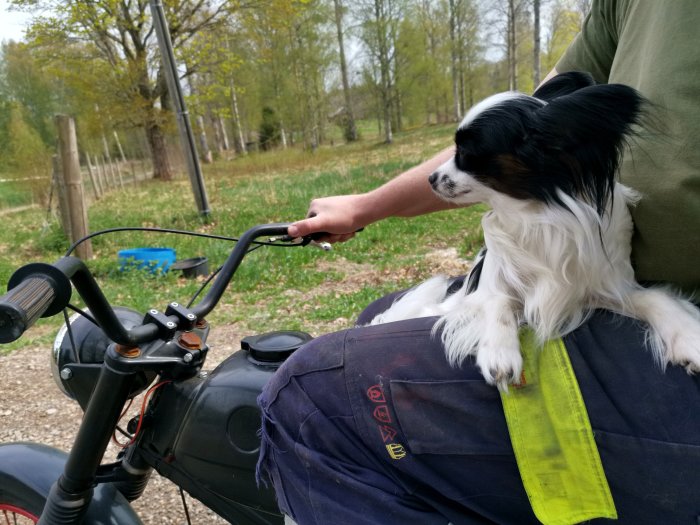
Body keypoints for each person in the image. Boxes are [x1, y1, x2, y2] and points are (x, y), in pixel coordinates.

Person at [256, 1, 700, 523]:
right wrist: (364, 207)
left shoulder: (581, 207)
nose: (449, 171)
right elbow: (534, 109)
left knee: (308, 392)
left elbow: (614, 290)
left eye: (468, 157)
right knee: (379, 312)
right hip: (591, 297)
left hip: (653, 367)